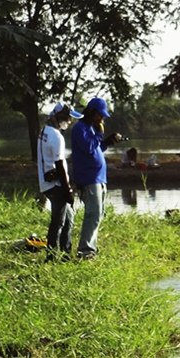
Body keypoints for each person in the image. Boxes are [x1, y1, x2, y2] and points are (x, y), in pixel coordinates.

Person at [70, 96, 124, 259]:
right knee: (93, 213)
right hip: (89, 178)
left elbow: (96, 149)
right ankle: (85, 251)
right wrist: (100, 133)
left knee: (98, 214)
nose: (101, 118)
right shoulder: (80, 128)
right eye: (100, 115)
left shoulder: (91, 128)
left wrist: (107, 141)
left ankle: (90, 247)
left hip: (99, 178)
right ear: (91, 112)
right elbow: (88, 148)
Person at [38, 101, 83, 262]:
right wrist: (68, 190)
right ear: (59, 117)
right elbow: (59, 165)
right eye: (68, 118)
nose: (70, 122)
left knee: (68, 218)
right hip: (56, 185)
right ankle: (51, 257)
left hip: (47, 182)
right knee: (58, 222)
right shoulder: (56, 136)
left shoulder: (45, 131)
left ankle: (65, 254)